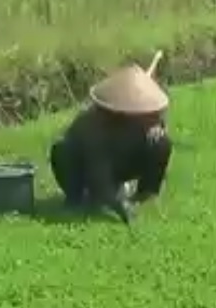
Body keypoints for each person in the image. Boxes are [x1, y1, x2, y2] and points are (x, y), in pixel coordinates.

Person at [49, 64, 173, 225]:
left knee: (161, 142)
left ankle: (146, 193)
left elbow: (159, 123)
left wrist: (158, 130)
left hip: (118, 162)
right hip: (85, 168)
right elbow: (98, 170)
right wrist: (120, 205)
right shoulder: (94, 125)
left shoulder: (146, 117)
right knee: (62, 151)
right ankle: (76, 198)